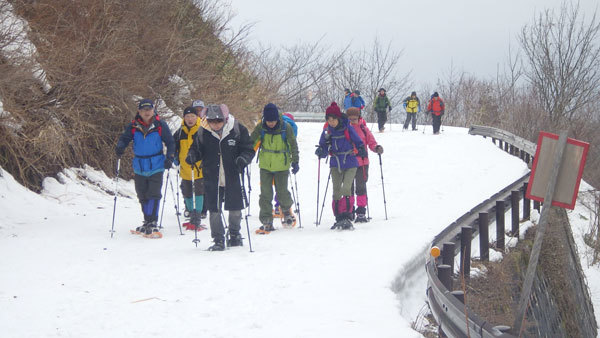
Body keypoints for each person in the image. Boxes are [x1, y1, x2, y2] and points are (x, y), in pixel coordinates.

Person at [185, 104, 254, 251]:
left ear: (225, 118)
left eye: (218, 121)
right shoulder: (203, 132)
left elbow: (248, 148)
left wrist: (244, 158)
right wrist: (192, 156)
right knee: (214, 209)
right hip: (211, 176)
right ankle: (218, 238)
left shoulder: (237, 130)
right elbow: (196, 149)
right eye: (211, 121)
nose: (215, 124)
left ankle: (234, 234)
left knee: (235, 208)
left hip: (233, 175)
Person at [115, 98, 175, 238]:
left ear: (153, 111)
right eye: (144, 110)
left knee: (153, 193)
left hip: (157, 164)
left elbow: (170, 142)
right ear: (139, 111)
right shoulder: (133, 126)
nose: (147, 113)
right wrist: (120, 147)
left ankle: (152, 221)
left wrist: (170, 157)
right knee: (142, 193)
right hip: (140, 165)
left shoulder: (160, 125)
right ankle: (147, 219)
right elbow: (125, 138)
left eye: (149, 110)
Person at [315, 102, 367, 230]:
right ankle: (339, 217)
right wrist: (321, 151)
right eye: (329, 119)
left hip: (350, 162)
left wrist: (361, 148)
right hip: (335, 163)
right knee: (336, 191)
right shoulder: (327, 131)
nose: (331, 122)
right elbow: (324, 146)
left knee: (346, 189)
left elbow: (357, 140)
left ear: (338, 118)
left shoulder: (347, 127)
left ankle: (347, 216)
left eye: (333, 119)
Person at [251, 103, 299, 234]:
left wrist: (295, 161)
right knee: (265, 194)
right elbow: (252, 142)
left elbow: (293, 144)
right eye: (268, 121)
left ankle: (286, 212)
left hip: (282, 166)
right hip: (265, 165)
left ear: (277, 119)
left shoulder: (286, 127)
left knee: (282, 191)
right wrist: (246, 155)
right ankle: (266, 219)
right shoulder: (261, 127)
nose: (270, 123)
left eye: (272, 121)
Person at [345, 107, 383, 223]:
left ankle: (361, 211)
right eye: (350, 119)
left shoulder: (364, 129)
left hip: (362, 163)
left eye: (354, 119)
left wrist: (376, 148)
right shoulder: (344, 129)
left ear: (359, 117)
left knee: (361, 187)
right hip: (348, 162)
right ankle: (349, 210)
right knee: (348, 188)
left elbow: (371, 142)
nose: (352, 121)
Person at [173, 105, 205, 231]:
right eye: (187, 117)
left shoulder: (202, 130)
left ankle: (197, 217)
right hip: (185, 168)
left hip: (199, 167)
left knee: (199, 191)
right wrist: (173, 156)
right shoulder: (180, 131)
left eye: (192, 116)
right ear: (184, 118)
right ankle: (191, 213)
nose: (190, 119)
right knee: (186, 192)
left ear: (196, 117)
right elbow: (173, 144)